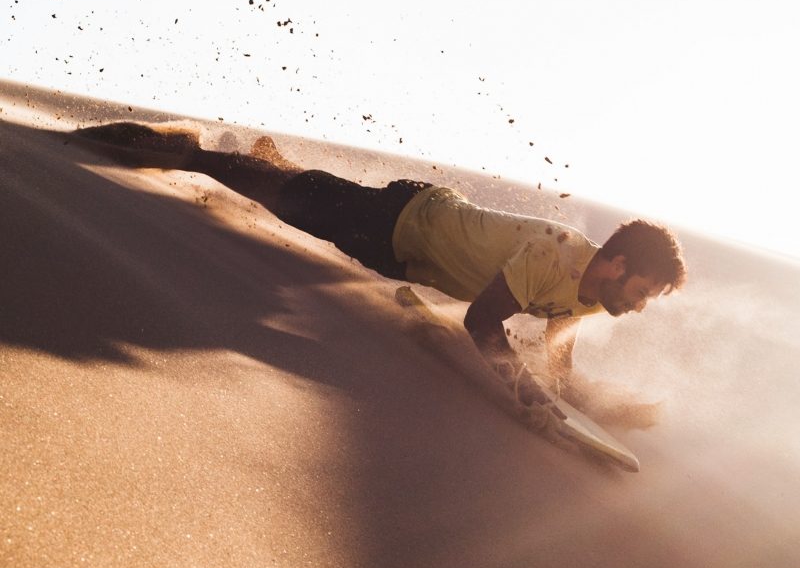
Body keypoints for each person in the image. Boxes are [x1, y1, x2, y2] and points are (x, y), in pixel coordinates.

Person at [71, 122, 686, 430]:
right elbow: (482, 320)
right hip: (403, 218)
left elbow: (557, 353)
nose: (637, 306)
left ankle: (273, 163)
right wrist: (522, 390)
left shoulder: (592, 298)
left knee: (296, 199)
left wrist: (593, 403)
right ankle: (179, 148)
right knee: (275, 196)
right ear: (618, 264)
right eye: (641, 292)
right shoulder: (556, 253)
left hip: (399, 254)